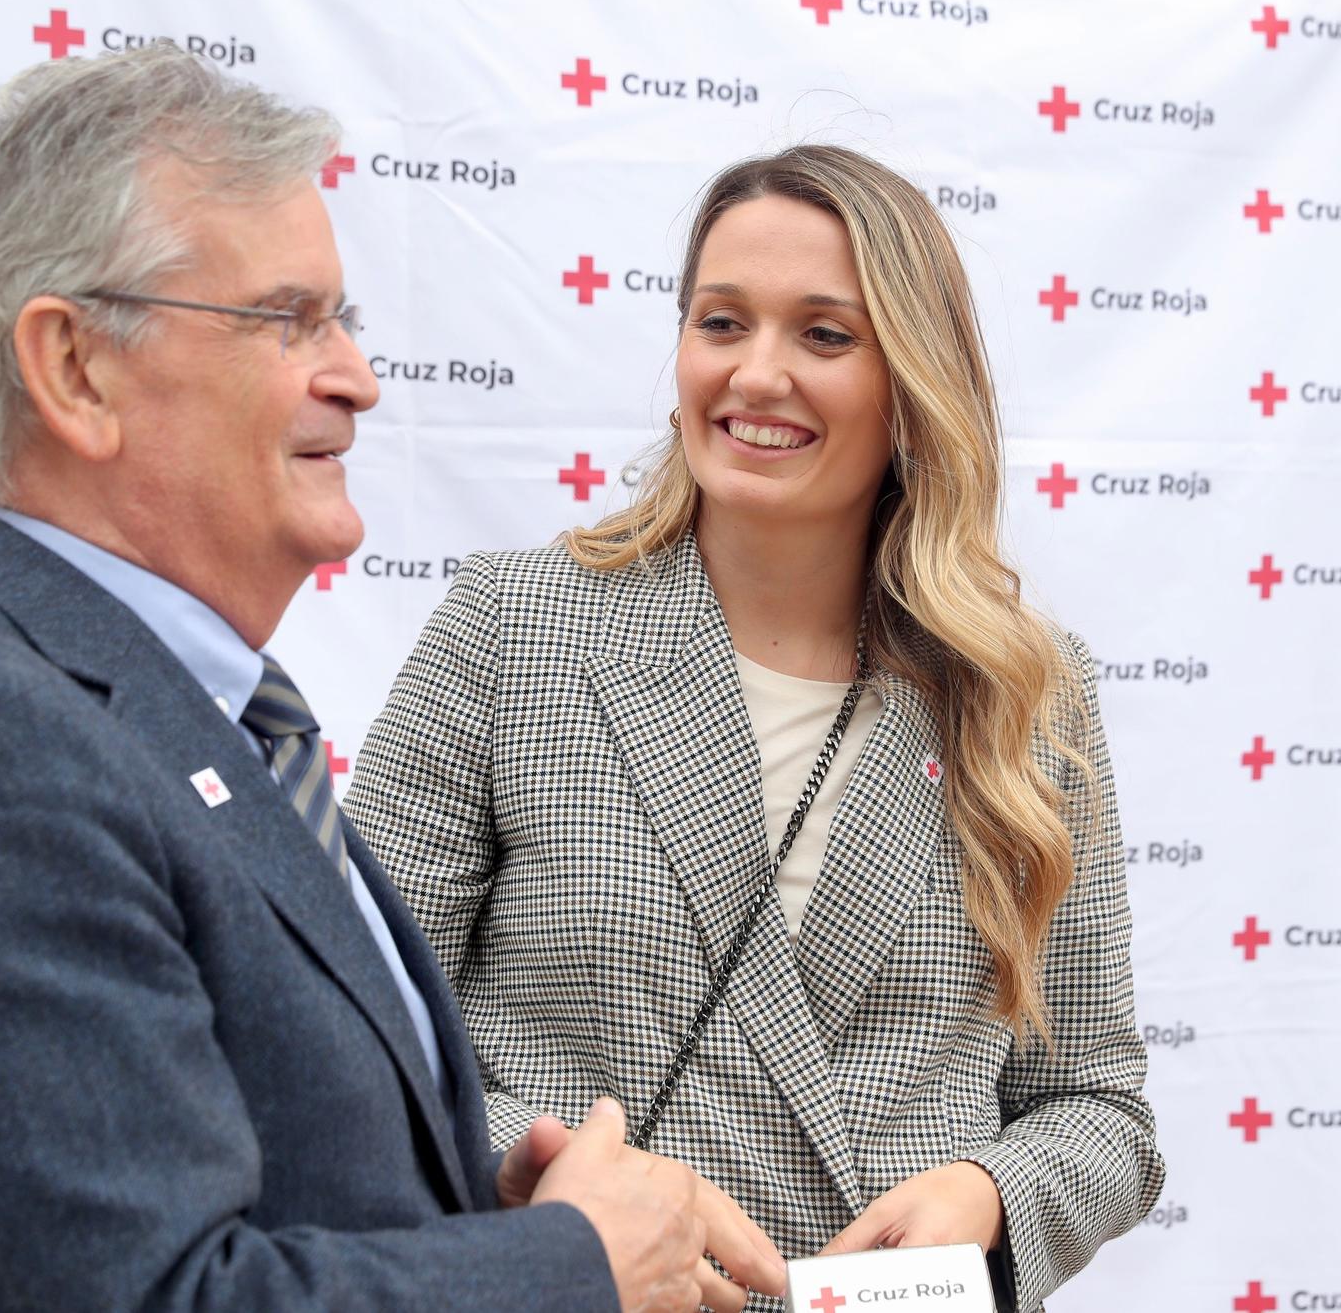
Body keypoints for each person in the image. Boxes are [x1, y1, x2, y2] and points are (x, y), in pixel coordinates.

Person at [0, 47, 785, 1313]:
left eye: (341, 318)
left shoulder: (191, 723)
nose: (356, 378)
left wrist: (485, 1202)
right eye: (288, 319)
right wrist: (570, 1267)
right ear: (74, 368)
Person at [344, 144, 1167, 1312]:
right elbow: (354, 1027)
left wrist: (988, 1189)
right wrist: (543, 1183)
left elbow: (1099, 1107)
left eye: (824, 336)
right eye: (720, 323)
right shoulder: (511, 629)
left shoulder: (1024, 689)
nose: (755, 374)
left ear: (912, 383)